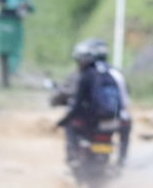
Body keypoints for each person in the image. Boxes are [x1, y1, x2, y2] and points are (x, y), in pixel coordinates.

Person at [52, 39, 127, 167]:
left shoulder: (86, 75)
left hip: (91, 121)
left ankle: (73, 158)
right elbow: (124, 101)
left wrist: (63, 121)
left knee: (70, 125)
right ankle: (121, 162)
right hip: (113, 119)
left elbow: (78, 103)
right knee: (126, 127)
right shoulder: (114, 73)